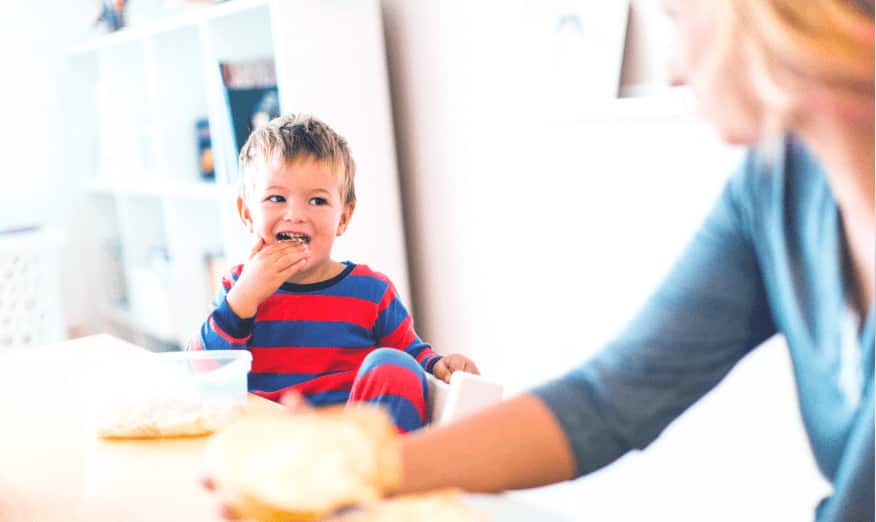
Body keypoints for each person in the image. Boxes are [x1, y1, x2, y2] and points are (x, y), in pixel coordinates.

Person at [207, 0, 873, 519]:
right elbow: (606, 400)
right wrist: (357, 465)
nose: (672, 67)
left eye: (676, 15)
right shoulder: (774, 193)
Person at [188, 114, 478, 432]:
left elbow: (414, 355)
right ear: (247, 213)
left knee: (394, 366)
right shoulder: (238, 288)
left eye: (317, 200)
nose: (296, 214)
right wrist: (242, 300)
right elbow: (201, 372)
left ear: (344, 217)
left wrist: (440, 366)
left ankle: (386, 470)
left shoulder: (372, 291)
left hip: (351, 446)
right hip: (272, 444)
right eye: (276, 198)